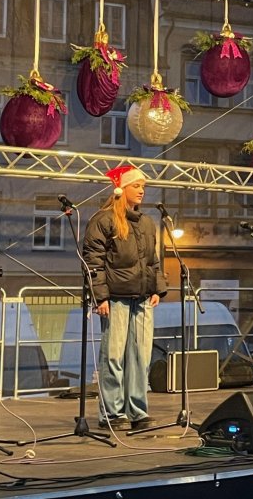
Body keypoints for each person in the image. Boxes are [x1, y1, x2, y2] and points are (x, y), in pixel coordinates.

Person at [82, 165, 167, 431]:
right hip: (116, 297)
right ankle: (112, 412)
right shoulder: (103, 220)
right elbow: (93, 261)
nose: (142, 191)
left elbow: (153, 260)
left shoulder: (147, 223)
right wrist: (100, 296)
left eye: (143, 187)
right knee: (114, 356)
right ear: (121, 189)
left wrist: (156, 288)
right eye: (136, 186)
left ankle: (137, 411)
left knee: (141, 356)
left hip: (143, 297)